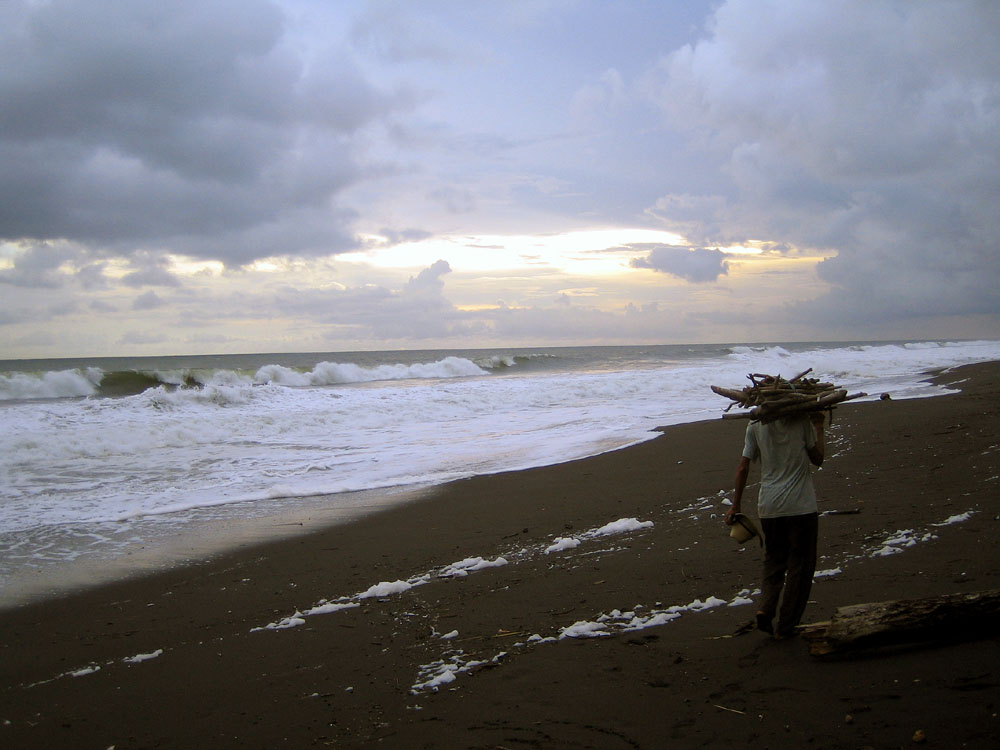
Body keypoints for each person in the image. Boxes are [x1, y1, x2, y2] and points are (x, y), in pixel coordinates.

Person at [726, 410, 825, 639]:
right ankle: (786, 626)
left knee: (774, 560)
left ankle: (765, 608)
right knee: (800, 566)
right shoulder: (801, 421)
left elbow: (743, 467)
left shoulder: (755, 424)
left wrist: (735, 505)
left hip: (769, 508)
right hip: (801, 507)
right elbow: (818, 458)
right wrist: (819, 425)